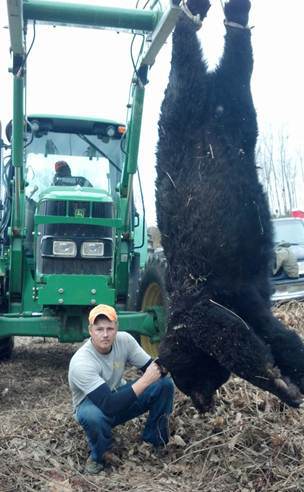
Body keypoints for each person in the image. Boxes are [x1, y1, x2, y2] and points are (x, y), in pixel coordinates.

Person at [68, 304, 174, 474]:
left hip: (119, 393)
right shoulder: (81, 362)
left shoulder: (124, 340)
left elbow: (152, 368)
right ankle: (99, 455)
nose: (105, 334)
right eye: (99, 329)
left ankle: (155, 440)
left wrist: (171, 362)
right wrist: (145, 380)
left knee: (164, 385)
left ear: (116, 328)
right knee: (92, 416)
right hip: (94, 405)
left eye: (110, 328)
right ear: (90, 330)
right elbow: (108, 405)